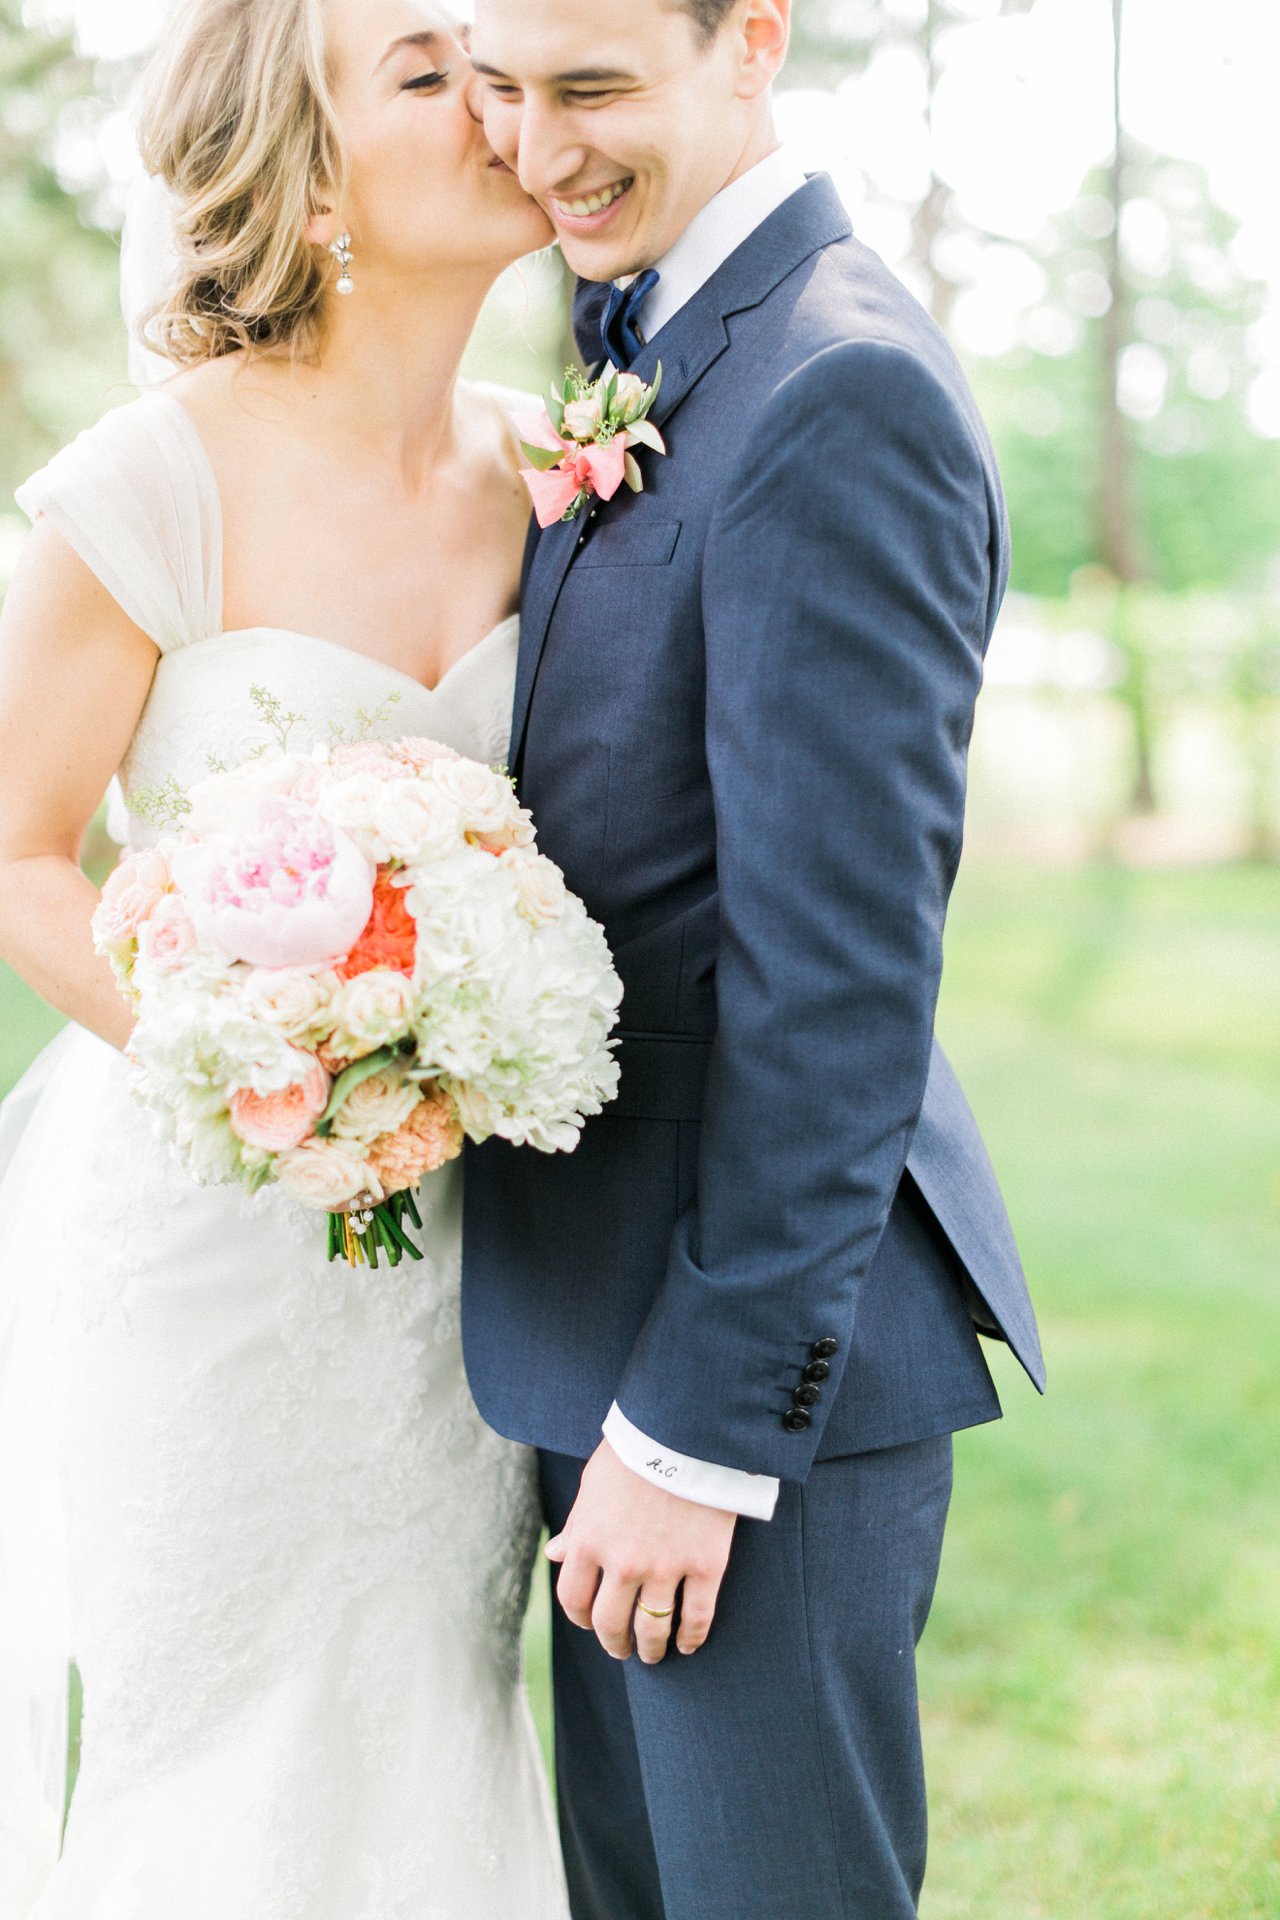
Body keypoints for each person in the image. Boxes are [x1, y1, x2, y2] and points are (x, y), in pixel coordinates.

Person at [459, 0, 1046, 1915]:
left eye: (595, 89)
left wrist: (701, 1433)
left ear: (754, 44)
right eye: (504, 86)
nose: (537, 148)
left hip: (738, 1378)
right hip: (596, 1330)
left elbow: (843, 978)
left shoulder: (832, 387)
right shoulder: (649, 347)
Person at [0, 2, 572, 1915]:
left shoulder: (560, 478)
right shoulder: (142, 486)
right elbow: (15, 853)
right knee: (218, 1737)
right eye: (431, 77)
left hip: (455, 1274)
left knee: (421, 1716)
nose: (503, 108)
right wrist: (267, 1066)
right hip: (203, 1234)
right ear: (308, 172)